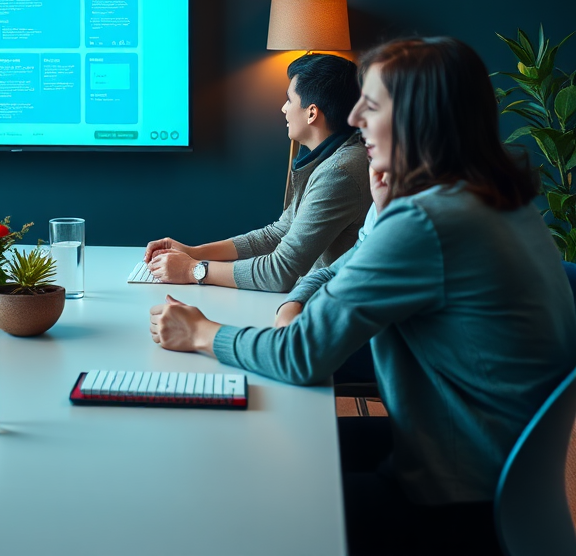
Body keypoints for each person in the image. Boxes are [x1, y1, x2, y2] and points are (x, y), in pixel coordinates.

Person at [148, 37, 576, 556]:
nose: (353, 118)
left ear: (419, 118)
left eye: (370, 105)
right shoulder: (492, 199)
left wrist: (199, 332)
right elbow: (339, 265)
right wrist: (368, 227)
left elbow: (301, 356)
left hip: (453, 503)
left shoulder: (426, 221)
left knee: (235, 492)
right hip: (490, 471)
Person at [144, 53, 369, 291]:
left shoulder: (338, 172)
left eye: (289, 100)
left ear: (311, 113)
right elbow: (279, 233)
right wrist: (193, 252)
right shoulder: (328, 157)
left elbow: (279, 272)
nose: (284, 108)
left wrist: (192, 270)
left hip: (330, 302)